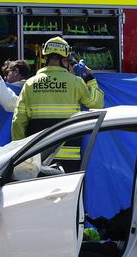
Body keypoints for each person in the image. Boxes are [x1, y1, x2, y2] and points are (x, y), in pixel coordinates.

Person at [12, 37, 104, 165]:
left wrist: (20, 152)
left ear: (45, 58)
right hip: (69, 156)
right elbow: (97, 103)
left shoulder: (30, 84)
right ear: (65, 60)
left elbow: (18, 121)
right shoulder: (76, 82)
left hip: (37, 156)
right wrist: (89, 78)